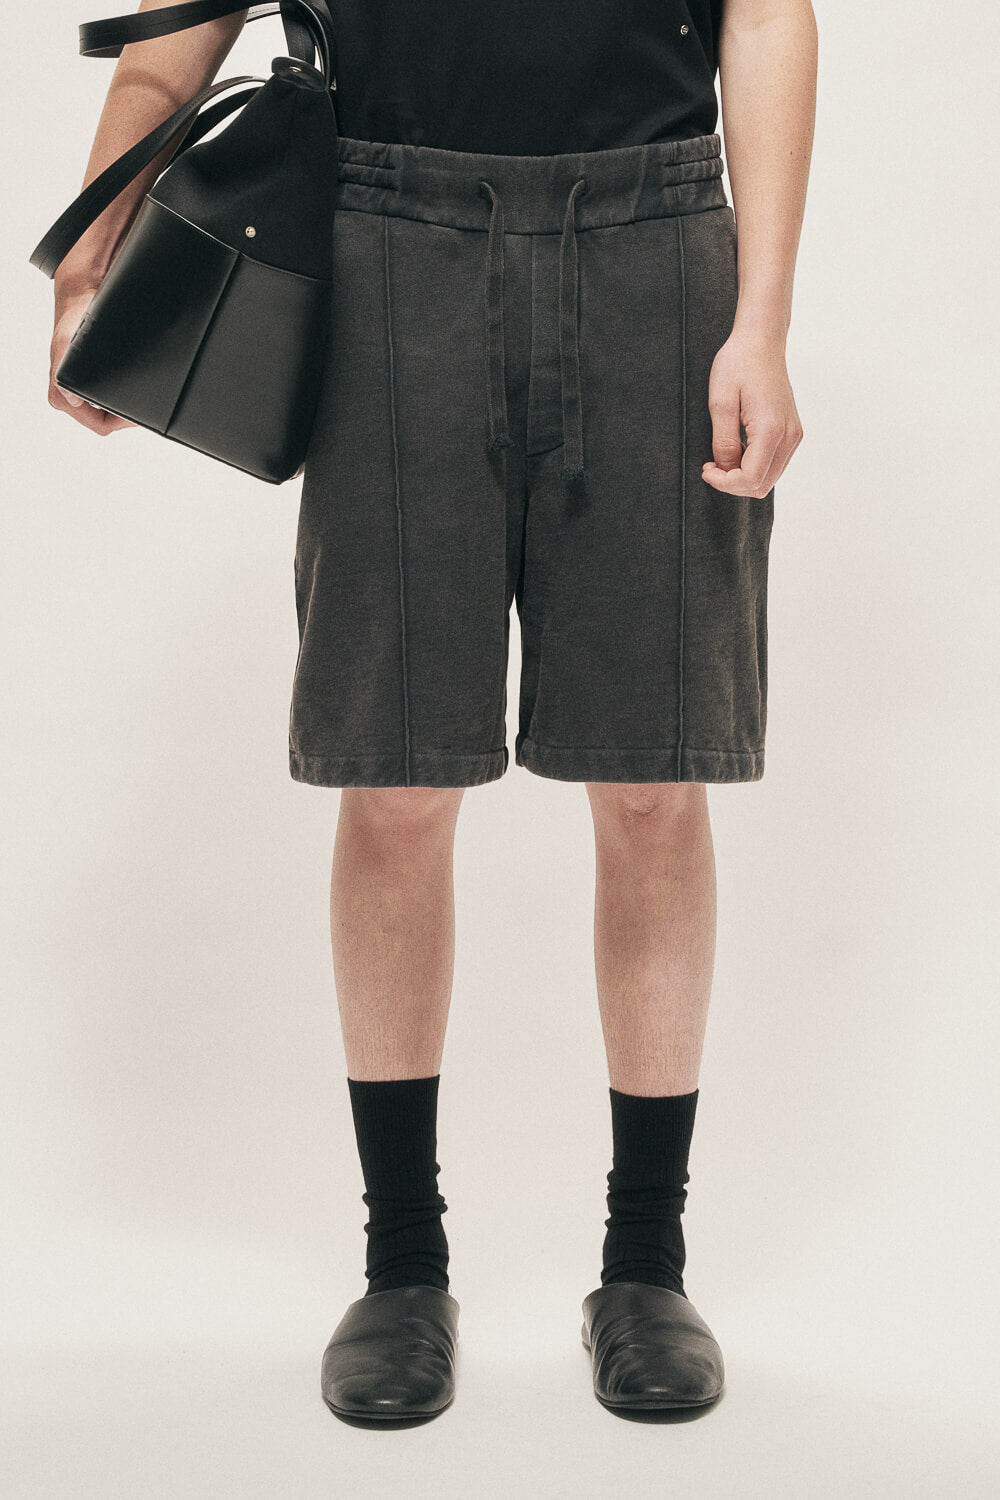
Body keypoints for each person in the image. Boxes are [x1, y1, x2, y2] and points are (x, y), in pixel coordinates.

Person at [47, 0, 816, 1421]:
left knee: (655, 779)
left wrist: (761, 320)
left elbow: (767, 12)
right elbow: (171, 38)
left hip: (656, 241)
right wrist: (96, 249)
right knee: (394, 779)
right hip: (388, 244)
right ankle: (403, 1265)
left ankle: (645, 1266)